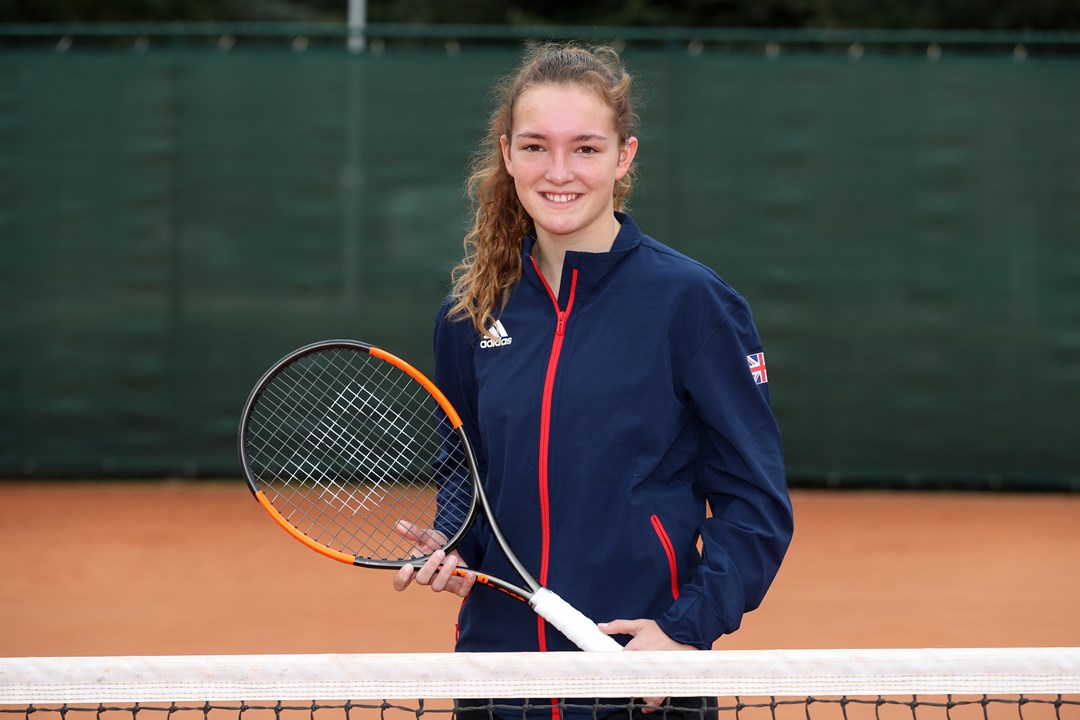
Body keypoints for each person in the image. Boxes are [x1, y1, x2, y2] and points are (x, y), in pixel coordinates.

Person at [393, 41, 794, 719]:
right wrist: (454, 539)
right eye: (535, 147)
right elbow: (467, 463)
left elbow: (756, 502)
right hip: (499, 676)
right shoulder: (470, 312)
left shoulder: (691, 303)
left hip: (641, 679)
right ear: (507, 154)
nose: (559, 172)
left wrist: (682, 630)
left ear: (623, 157)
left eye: (584, 148)